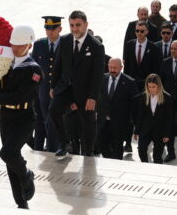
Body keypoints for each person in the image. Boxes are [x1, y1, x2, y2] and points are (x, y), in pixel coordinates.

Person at [0, 25, 40, 209]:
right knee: (10, 161)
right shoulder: (6, 65)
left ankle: (27, 174)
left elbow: (19, 96)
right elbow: (2, 87)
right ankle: (21, 202)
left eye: (20, 45)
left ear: (29, 44)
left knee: (7, 153)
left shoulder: (34, 70)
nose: (15, 48)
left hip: (24, 118)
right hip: (6, 117)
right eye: (13, 44)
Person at [50, 11, 105, 158]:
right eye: (72, 25)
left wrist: (92, 97)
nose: (75, 29)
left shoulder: (96, 46)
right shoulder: (65, 40)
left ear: (86, 25)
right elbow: (58, 64)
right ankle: (64, 143)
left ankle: (88, 151)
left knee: (88, 122)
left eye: (78, 25)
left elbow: (97, 74)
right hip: (66, 87)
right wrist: (52, 86)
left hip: (85, 92)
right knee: (54, 110)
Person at [31, 16, 64, 153]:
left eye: (53, 29)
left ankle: (54, 148)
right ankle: (40, 148)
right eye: (47, 28)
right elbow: (33, 67)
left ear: (60, 29)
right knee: (42, 122)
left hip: (59, 92)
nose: (49, 32)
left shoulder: (66, 44)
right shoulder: (39, 44)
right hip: (42, 92)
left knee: (53, 122)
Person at [97, 58, 138, 159]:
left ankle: (115, 167)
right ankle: (110, 160)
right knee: (101, 144)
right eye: (110, 67)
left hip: (120, 123)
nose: (112, 70)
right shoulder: (102, 79)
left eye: (115, 68)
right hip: (103, 121)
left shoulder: (129, 82)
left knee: (117, 149)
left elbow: (135, 104)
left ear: (121, 67)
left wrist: (133, 123)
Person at [132, 74, 173, 164]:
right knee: (141, 149)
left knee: (157, 156)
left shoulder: (167, 98)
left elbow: (169, 118)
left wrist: (167, 134)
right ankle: (145, 166)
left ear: (159, 86)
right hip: (145, 129)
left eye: (153, 87)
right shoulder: (144, 96)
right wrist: (136, 131)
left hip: (160, 131)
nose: (151, 89)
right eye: (149, 86)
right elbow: (140, 116)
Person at [123, 20, 162, 90]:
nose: (139, 33)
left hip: (148, 85)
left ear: (147, 31)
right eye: (137, 31)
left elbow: (156, 68)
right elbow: (127, 67)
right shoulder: (129, 45)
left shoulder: (154, 48)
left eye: (142, 31)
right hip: (132, 84)